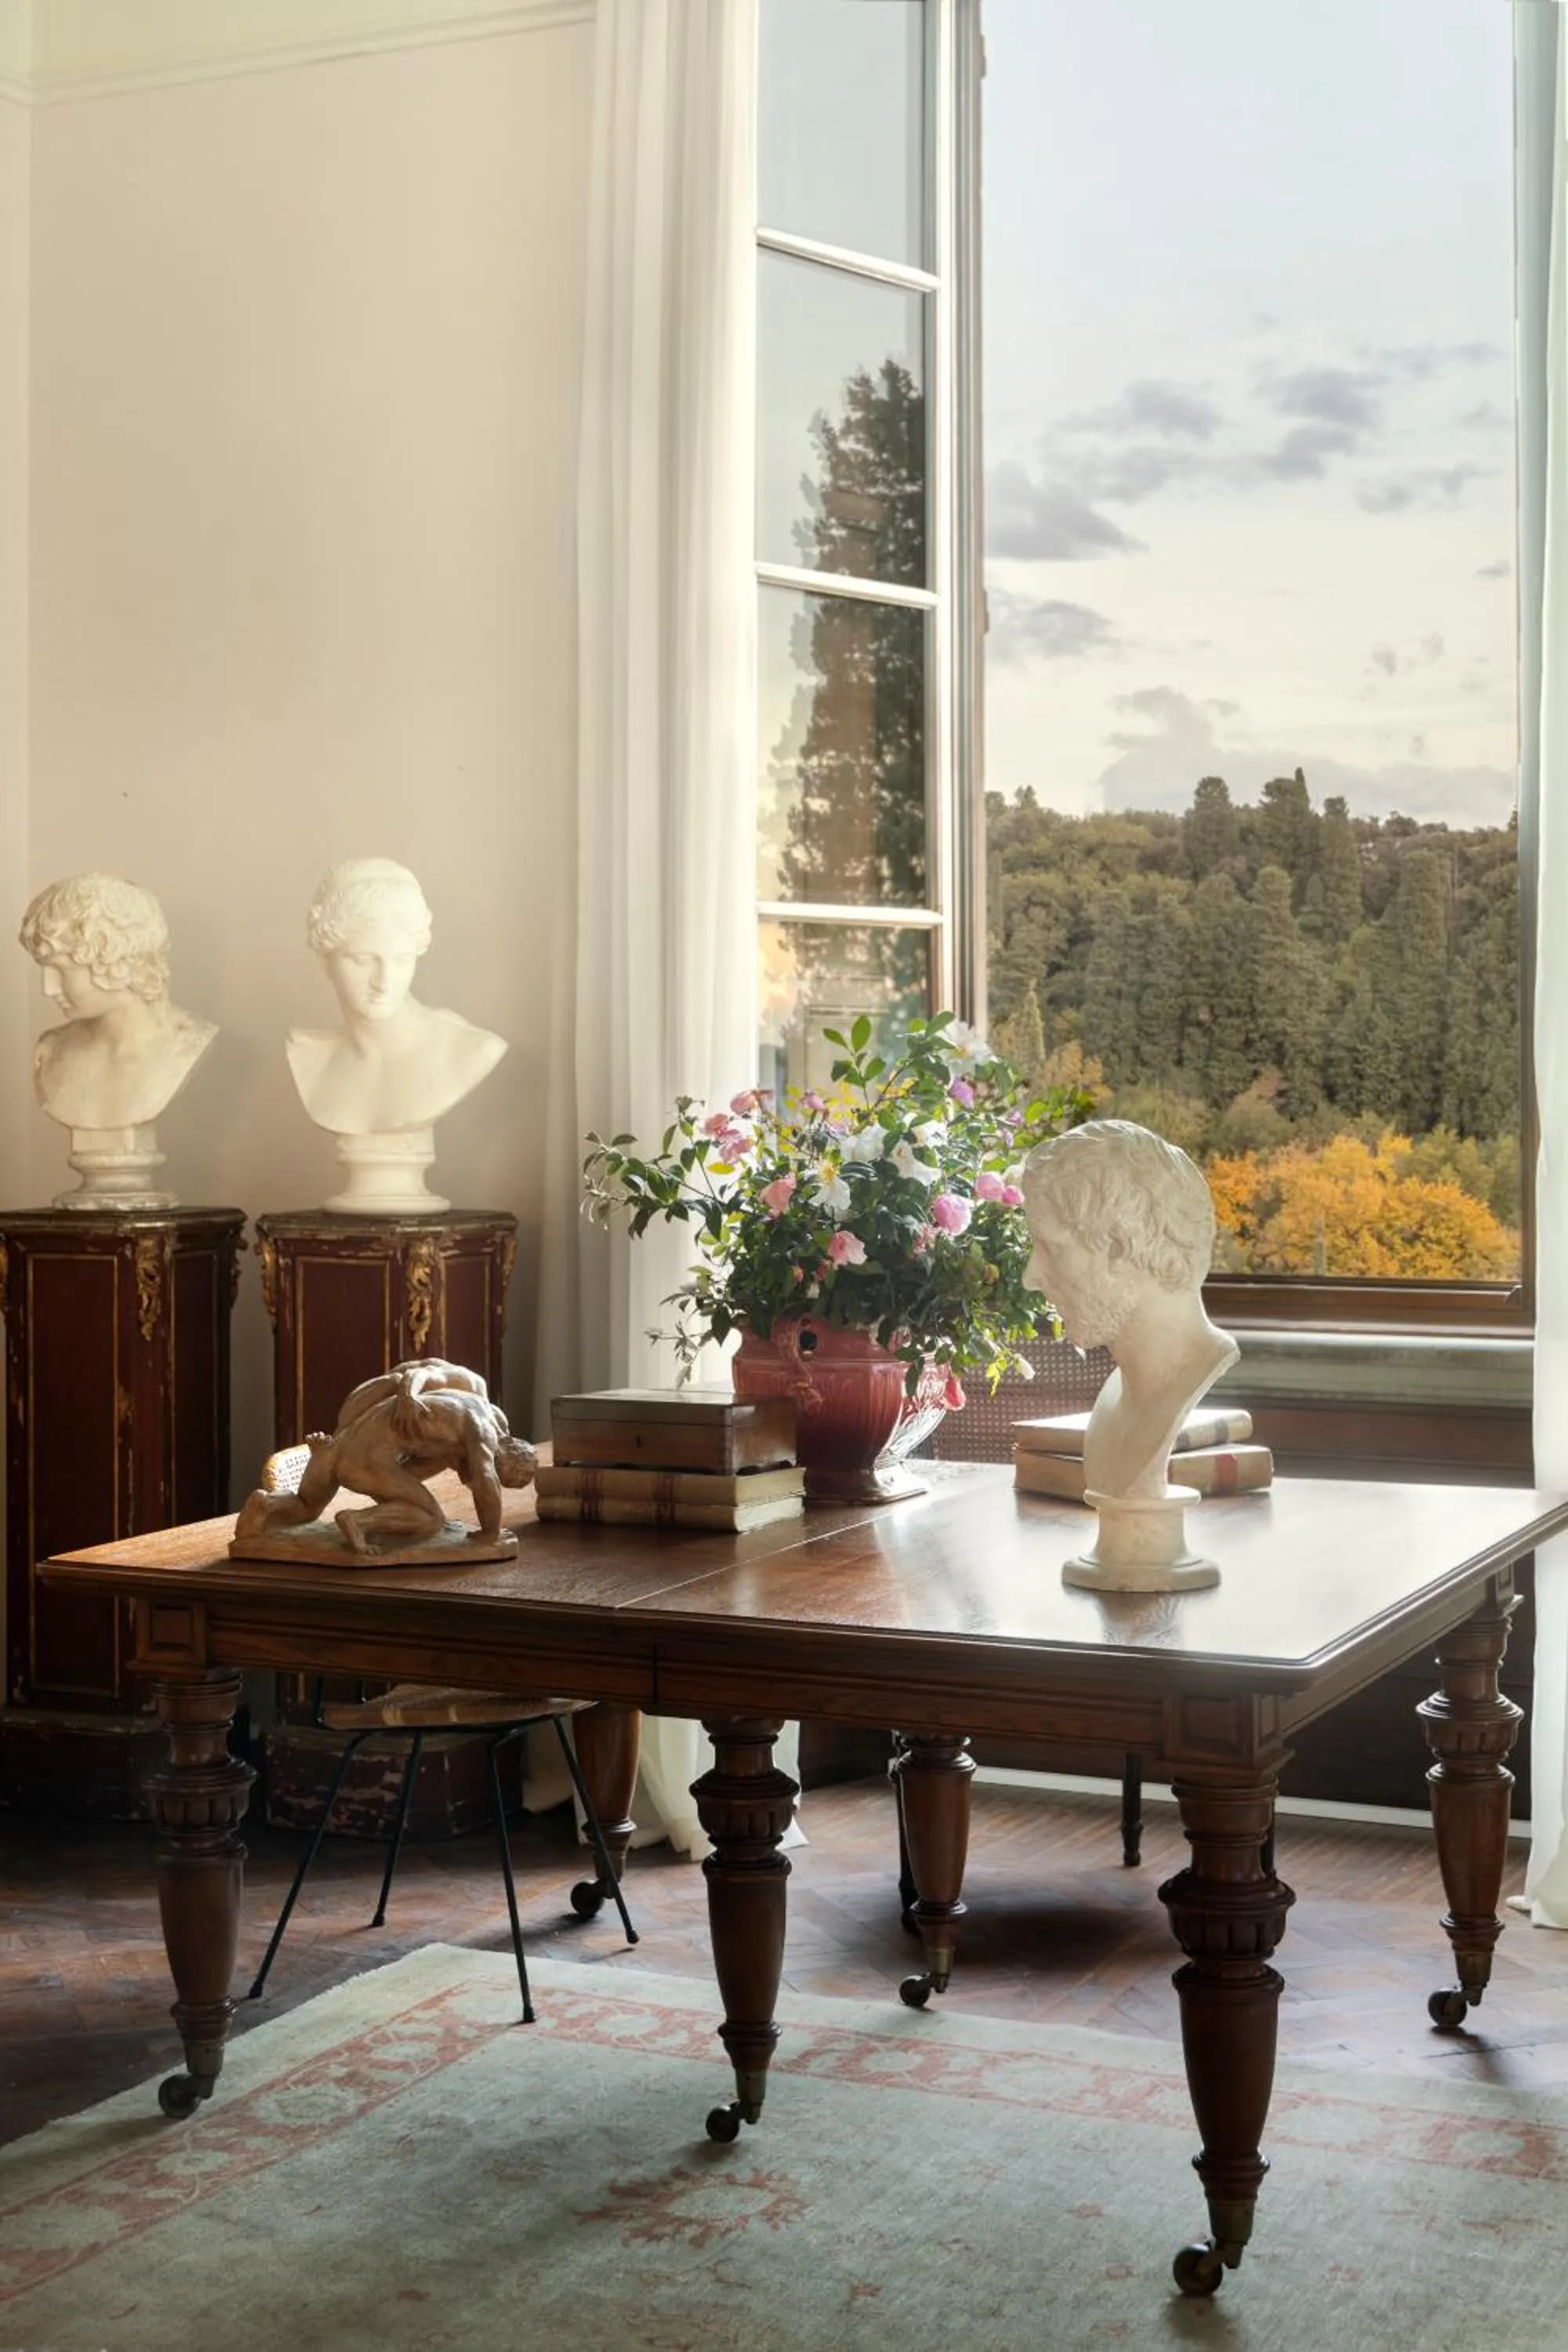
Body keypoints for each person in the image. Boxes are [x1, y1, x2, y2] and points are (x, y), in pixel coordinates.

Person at [1022, 1119, 1239, 1501]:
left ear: (1119, 1248)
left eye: (1052, 1249)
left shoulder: (1179, 1384)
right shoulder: (1113, 1406)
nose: (1031, 1277)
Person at [285, 858, 506, 1137]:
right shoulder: (309, 1058)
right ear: (324, 961)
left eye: (401, 960)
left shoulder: (470, 1051)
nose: (384, 982)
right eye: (363, 960)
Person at [235, 1360, 536, 1554]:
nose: (477, 1474)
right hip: (364, 1453)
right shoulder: (481, 1425)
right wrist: (491, 1533)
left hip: (345, 1444)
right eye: (499, 1467)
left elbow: (416, 1473)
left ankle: (265, 1504)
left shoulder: (463, 1423)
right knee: (430, 1518)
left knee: (307, 1508)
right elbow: (485, 1477)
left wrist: (402, 1501)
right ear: (505, 1442)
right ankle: (357, 1522)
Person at [19, 873, 216, 1133]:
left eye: (61, 970)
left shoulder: (187, 1045)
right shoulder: (51, 1052)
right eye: (44, 970)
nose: (48, 989)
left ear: (115, 959)